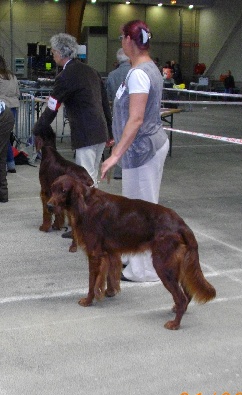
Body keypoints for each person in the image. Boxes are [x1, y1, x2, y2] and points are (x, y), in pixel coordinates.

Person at [101, 20, 169, 282]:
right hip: (141, 147)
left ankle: (145, 269)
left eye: (122, 38)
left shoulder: (140, 73)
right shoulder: (143, 68)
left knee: (141, 211)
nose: (121, 42)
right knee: (137, 208)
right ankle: (134, 259)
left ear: (130, 41)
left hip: (142, 150)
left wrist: (116, 154)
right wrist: (117, 139)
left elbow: (137, 118)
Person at [33, 33, 113, 189]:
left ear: (61, 53)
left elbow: (52, 107)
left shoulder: (65, 76)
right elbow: (105, 104)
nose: (53, 55)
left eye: (54, 52)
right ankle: (94, 210)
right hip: (100, 132)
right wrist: (110, 131)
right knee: (92, 176)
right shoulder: (92, 71)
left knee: (84, 181)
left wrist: (37, 128)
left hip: (86, 134)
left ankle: (89, 212)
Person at [106, 48, 131, 179]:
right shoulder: (136, 72)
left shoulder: (111, 75)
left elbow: (108, 96)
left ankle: (118, 171)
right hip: (133, 114)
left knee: (119, 142)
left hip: (117, 115)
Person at [0, 55, 20, 173]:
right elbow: (17, 92)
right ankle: (11, 164)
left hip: (2, 108)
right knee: (6, 136)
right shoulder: (12, 76)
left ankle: (7, 165)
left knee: (3, 139)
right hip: (13, 107)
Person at [0, 101, 15, 203]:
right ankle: (3, 194)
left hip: (4, 118)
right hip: (5, 115)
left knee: (1, 156)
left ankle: (3, 194)